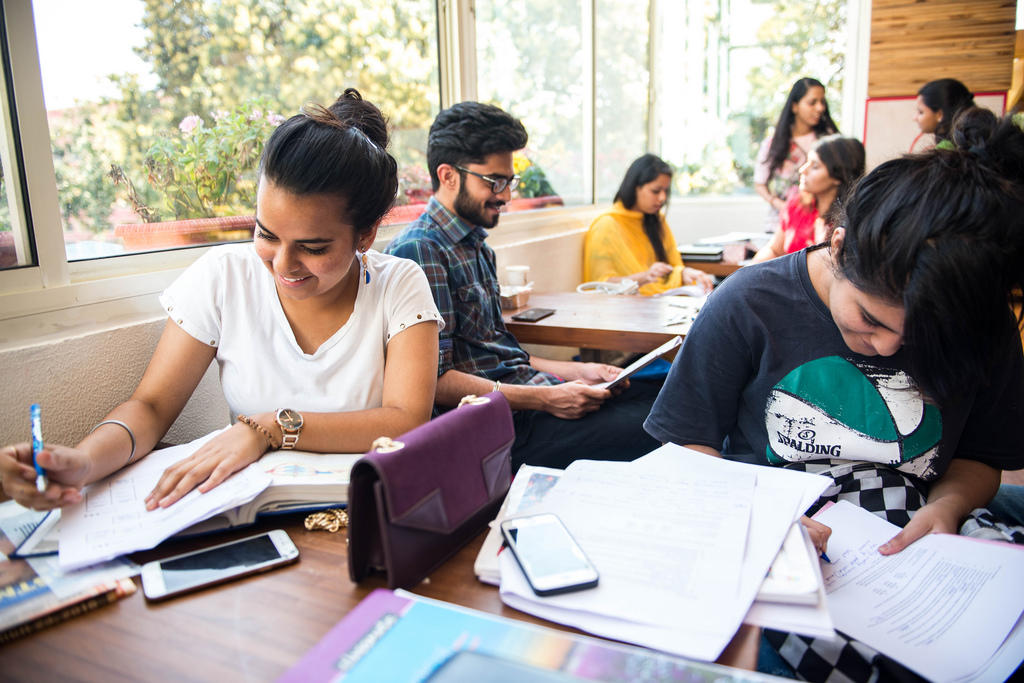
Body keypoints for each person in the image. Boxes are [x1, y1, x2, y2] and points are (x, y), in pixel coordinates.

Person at [645, 112, 1024, 680]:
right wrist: (757, 522)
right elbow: (686, 447)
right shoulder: (750, 304)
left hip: (923, 546)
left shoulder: (984, 322)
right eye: (871, 318)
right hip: (775, 539)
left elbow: (983, 457)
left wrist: (946, 508)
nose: (890, 346)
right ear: (840, 246)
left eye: (915, 336)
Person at [1, 89, 442, 511]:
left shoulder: (399, 284)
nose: (283, 264)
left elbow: (404, 420)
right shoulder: (224, 276)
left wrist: (270, 428)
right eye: (266, 234)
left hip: (369, 511)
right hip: (252, 512)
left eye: (313, 247)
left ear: (364, 235)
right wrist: (83, 463)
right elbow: (151, 408)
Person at [385, 101, 661, 470]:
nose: (506, 195)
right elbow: (434, 383)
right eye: (494, 181)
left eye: (509, 181)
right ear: (448, 175)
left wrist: (576, 373)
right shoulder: (421, 250)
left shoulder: (476, 244)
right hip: (505, 429)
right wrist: (546, 399)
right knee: (663, 425)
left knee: (667, 392)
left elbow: (500, 353)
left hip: (532, 400)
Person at [583, 154, 713, 296]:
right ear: (634, 187)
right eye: (655, 191)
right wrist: (644, 277)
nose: (662, 198)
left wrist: (683, 273)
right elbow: (600, 285)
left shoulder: (656, 220)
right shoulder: (606, 226)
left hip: (662, 302)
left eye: (666, 191)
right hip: (626, 309)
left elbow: (673, 266)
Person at [750, 135, 864, 263]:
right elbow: (774, 250)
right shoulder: (796, 205)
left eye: (815, 166)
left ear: (838, 176)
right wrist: (747, 273)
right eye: (807, 162)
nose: (802, 170)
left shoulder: (850, 222)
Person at [753, 77, 839, 230]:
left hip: (818, 227)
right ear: (794, 106)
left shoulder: (830, 141)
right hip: (779, 225)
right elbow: (760, 183)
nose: (819, 108)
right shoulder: (772, 143)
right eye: (812, 102)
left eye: (822, 102)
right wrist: (780, 204)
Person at [913, 78, 975, 150]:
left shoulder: (945, 151)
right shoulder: (971, 141)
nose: (914, 118)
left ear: (939, 115)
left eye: (921, 112)